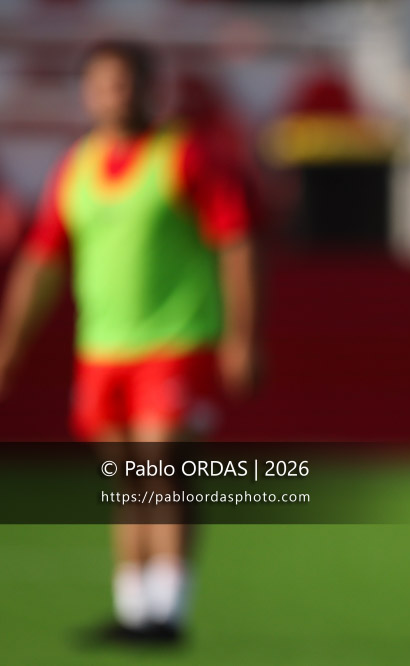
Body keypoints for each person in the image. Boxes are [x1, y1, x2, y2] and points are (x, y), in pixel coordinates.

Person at [0, 40, 258, 641]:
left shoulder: (184, 156)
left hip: (174, 340)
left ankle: (168, 609)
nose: (113, 95)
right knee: (126, 479)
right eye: (101, 85)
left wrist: (241, 336)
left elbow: (236, 241)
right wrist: (10, 345)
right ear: (87, 93)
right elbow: (42, 260)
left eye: (123, 83)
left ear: (147, 87)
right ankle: (134, 607)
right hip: (101, 350)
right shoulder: (78, 166)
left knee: (161, 468)